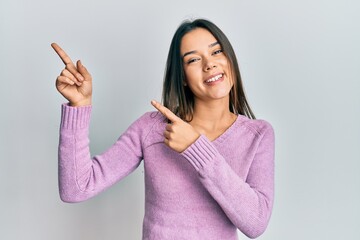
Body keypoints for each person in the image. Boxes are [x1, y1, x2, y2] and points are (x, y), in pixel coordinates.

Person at [52, 18, 275, 240]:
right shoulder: (151, 128)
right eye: (194, 59)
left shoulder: (258, 135)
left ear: (230, 60)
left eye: (217, 52)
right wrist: (79, 107)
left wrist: (196, 148)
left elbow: (255, 223)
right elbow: (76, 188)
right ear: (183, 78)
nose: (209, 64)